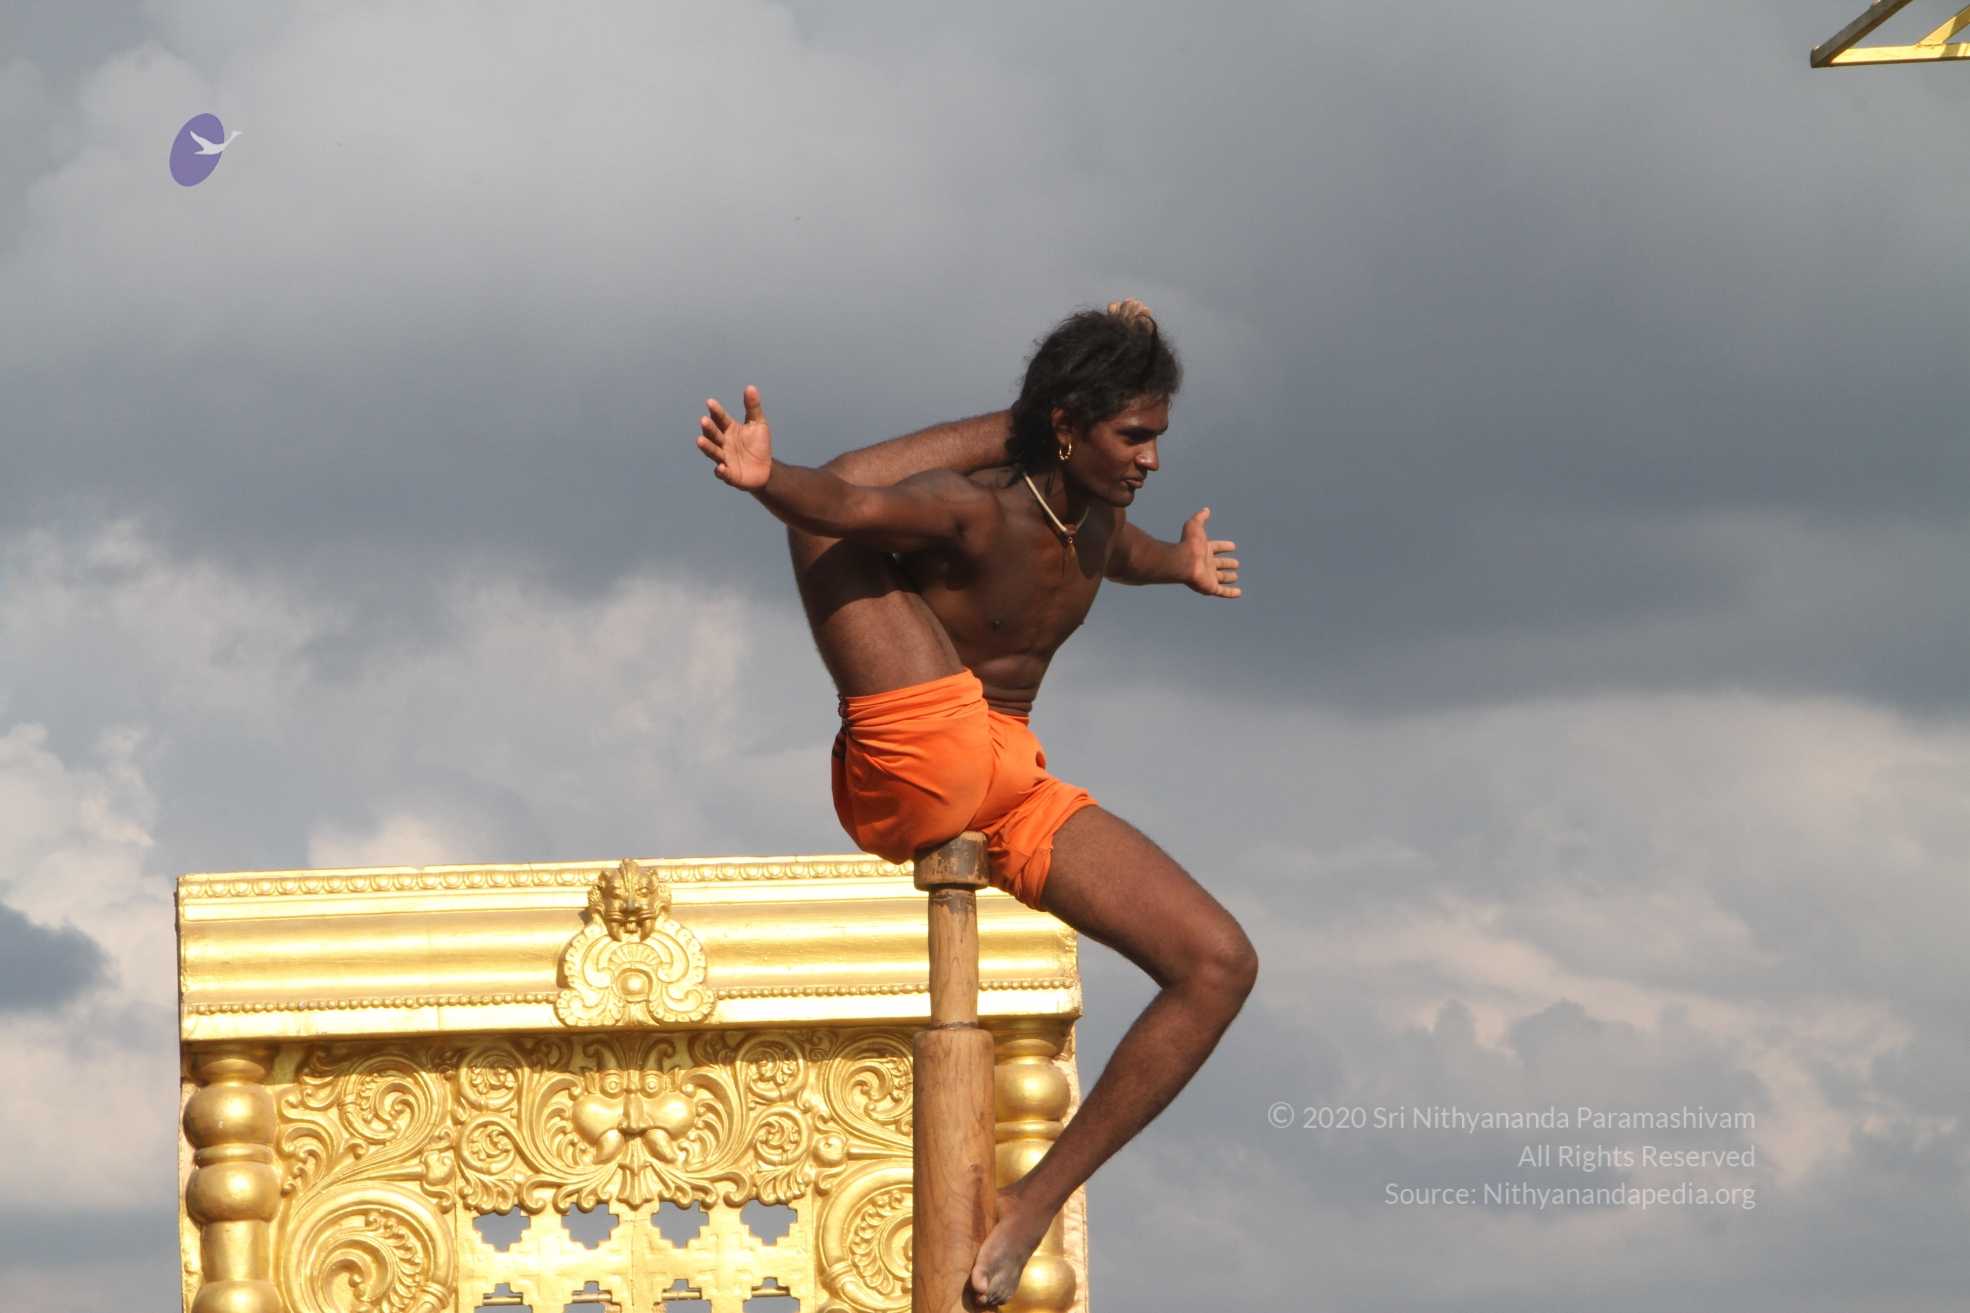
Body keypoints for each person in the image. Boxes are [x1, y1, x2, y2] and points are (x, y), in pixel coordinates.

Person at [694, 301, 1259, 1308]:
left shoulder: (1095, 521)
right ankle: (1028, 416)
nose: (1151, 459)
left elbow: (1121, 555)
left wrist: (1179, 563)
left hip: (1009, 780)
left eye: (1157, 436)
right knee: (825, 531)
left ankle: (1032, 1198)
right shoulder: (972, 510)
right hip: (921, 752)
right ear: (1066, 426)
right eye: (1133, 435)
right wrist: (770, 480)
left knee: (1219, 963)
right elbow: (848, 498)